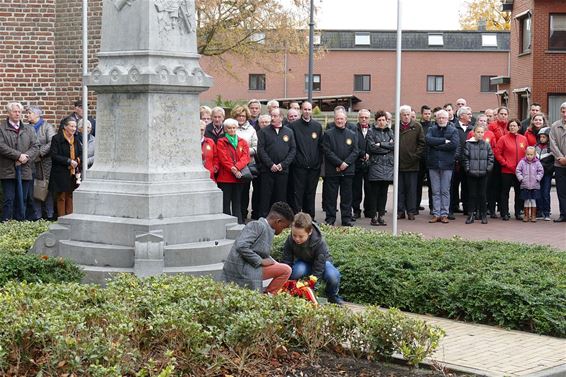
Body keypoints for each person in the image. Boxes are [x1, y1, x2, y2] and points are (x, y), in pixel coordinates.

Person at [222, 201, 294, 295]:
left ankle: (268, 295)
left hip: (250, 266)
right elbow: (241, 246)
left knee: (283, 268)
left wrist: (274, 262)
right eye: (283, 227)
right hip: (242, 269)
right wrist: (260, 261)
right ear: (278, 221)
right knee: (286, 270)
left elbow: (262, 253)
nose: (282, 230)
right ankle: (268, 296)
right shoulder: (257, 225)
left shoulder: (267, 228)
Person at [282, 212, 344, 305]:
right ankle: (294, 291)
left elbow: (319, 266)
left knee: (333, 276)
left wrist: (313, 286)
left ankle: (332, 295)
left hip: (323, 263)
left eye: (301, 236)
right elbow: (287, 260)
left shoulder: (320, 242)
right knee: (296, 272)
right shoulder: (290, 239)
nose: (297, 239)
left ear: (310, 232)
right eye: (294, 235)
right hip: (304, 262)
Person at [0, 102, 39, 221]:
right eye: (15, 111)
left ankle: (20, 223)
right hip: (8, 170)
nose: (17, 114)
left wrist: (25, 157)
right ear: (9, 113)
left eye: (19, 112)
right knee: (9, 199)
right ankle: (6, 224)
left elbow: (36, 146)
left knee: (24, 198)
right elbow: (1, 146)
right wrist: (18, 156)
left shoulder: (29, 129)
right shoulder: (1, 129)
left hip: (25, 169)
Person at [257, 108, 296, 218]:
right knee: (265, 196)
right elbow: (261, 150)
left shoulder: (289, 132)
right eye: (271, 116)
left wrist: (282, 165)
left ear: (281, 117)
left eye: (275, 116)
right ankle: (264, 219)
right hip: (267, 171)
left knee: (281, 197)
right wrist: (271, 165)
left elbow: (293, 150)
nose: (272, 118)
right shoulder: (263, 132)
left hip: (282, 171)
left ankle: (280, 219)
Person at [321, 110, 358, 226]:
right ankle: (330, 219)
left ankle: (346, 218)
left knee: (347, 196)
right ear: (334, 119)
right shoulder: (328, 134)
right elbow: (327, 151)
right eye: (338, 119)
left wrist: (346, 163)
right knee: (331, 197)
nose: (340, 121)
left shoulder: (352, 134)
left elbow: (355, 151)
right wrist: (339, 163)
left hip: (348, 171)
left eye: (342, 119)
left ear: (346, 120)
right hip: (333, 170)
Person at [287, 101, 322, 219]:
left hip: (313, 168)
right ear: (301, 110)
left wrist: (317, 163)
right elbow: (292, 147)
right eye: (305, 109)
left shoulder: (317, 126)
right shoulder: (293, 126)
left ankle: (309, 219)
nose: (307, 112)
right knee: (297, 193)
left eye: (309, 109)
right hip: (298, 168)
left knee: (310, 194)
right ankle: (297, 218)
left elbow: (320, 146)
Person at [426, 109, 459, 224]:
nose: (441, 120)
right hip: (433, 164)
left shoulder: (453, 130)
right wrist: (444, 141)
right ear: (436, 119)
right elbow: (428, 140)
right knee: (435, 191)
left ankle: (444, 214)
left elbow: (454, 145)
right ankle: (436, 214)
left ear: (447, 118)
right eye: (439, 118)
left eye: (443, 118)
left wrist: (437, 146)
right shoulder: (431, 129)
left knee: (445, 190)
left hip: (447, 165)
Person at [215, 118, 250, 224]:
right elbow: (223, 158)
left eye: (234, 128)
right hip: (225, 177)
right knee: (226, 202)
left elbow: (246, 157)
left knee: (237, 202)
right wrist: (233, 169)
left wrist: (237, 168)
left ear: (237, 128)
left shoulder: (242, 141)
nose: (232, 130)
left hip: (238, 177)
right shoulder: (221, 142)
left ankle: (239, 222)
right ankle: (226, 224)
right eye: (229, 128)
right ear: (225, 129)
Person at [26, 106, 56, 221]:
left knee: (46, 187)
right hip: (31, 163)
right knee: (34, 188)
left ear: (37, 115)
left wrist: (39, 153)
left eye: (29, 113)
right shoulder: (27, 127)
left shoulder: (47, 126)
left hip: (45, 163)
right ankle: (37, 215)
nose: (27, 115)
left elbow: (52, 142)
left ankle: (49, 214)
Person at [494, 118, 527, 221]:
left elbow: (527, 153)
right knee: (505, 192)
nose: (513, 127)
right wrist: (504, 163)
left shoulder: (523, 139)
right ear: (508, 127)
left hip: (519, 171)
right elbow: (497, 153)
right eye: (511, 126)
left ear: (519, 127)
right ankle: (505, 212)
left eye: (515, 126)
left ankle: (518, 212)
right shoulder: (503, 139)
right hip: (507, 170)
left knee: (519, 192)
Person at [366, 110, 394, 226]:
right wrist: (387, 146)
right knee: (374, 193)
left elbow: (395, 145)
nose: (382, 122)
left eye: (384, 120)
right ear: (376, 121)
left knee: (384, 193)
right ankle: (373, 216)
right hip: (376, 165)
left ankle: (381, 215)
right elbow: (372, 148)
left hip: (388, 166)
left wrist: (381, 144)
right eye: (379, 120)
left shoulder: (390, 132)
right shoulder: (371, 132)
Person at [397, 105, 425, 220]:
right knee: (400, 190)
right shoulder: (396, 127)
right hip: (399, 164)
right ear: (400, 116)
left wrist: (415, 156)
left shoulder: (417, 126)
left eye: (408, 114)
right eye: (404, 115)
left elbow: (422, 143)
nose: (406, 117)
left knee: (411, 190)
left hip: (413, 164)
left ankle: (411, 211)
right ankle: (400, 211)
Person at [50, 117, 82, 217]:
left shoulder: (76, 140)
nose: (74, 128)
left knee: (70, 195)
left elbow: (81, 153)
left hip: (73, 173)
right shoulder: (56, 139)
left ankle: (70, 218)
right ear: (65, 127)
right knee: (61, 196)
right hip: (60, 173)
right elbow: (54, 155)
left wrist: (76, 161)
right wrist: (68, 161)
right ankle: (61, 219)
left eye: (75, 126)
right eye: (71, 126)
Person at [463, 124, 494, 224]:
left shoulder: (486, 145)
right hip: (471, 174)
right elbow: (465, 158)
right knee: (472, 195)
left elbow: (491, 158)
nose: (480, 134)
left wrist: (487, 170)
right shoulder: (468, 144)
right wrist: (468, 169)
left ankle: (483, 215)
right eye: (478, 132)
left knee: (482, 195)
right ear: (474, 133)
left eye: (481, 132)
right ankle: (471, 215)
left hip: (483, 174)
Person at [232, 105, 258, 221]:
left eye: (243, 116)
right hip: (233, 165)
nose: (241, 118)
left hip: (246, 165)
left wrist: (244, 152)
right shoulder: (232, 127)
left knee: (245, 191)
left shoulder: (251, 130)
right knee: (234, 191)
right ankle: (234, 214)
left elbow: (256, 147)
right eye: (239, 116)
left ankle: (243, 213)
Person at [449, 106, 474, 219]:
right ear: (462, 116)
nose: (470, 116)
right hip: (456, 161)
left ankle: (467, 207)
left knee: (467, 185)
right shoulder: (453, 127)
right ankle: (452, 207)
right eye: (468, 114)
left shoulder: (472, 129)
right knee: (453, 185)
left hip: (468, 161)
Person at [487, 107, 509, 218]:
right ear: (497, 115)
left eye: (505, 114)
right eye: (501, 113)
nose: (503, 116)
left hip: (506, 160)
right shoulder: (492, 126)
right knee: (493, 186)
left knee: (503, 186)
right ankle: (491, 209)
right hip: (495, 160)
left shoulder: (509, 126)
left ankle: (503, 209)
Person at [250, 114, 272, 220]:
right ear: (259, 123)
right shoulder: (256, 134)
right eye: (262, 122)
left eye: (267, 122)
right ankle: (256, 213)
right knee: (257, 191)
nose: (264, 124)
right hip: (259, 167)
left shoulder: (274, 134)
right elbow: (257, 151)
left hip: (270, 167)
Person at [516, 146, 544, 223]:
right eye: (528, 154)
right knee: (526, 201)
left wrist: (538, 178)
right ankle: (526, 215)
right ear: (525, 154)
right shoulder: (522, 162)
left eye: (531, 154)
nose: (529, 156)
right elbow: (518, 170)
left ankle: (533, 215)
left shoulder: (537, 163)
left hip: (535, 185)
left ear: (534, 155)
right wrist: (521, 179)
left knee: (533, 200)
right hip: (525, 185)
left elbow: (541, 171)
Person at [352, 109, 371, 219]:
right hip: (357, 163)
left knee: (369, 189)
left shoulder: (373, 130)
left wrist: (369, 153)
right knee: (356, 189)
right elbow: (353, 146)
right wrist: (362, 153)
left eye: (366, 117)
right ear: (358, 118)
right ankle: (356, 210)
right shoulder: (353, 130)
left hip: (370, 164)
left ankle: (368, 210)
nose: (364, 119)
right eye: (362, 117)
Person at [549, 101, 566, 222]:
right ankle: (563, 213)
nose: (565, 114)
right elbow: (552, 143)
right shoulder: (555, 126)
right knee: (561, 191)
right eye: (563, 111)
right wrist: (560, 157)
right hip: (559, 164)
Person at [535, 127, 554, 221]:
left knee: (545, 193)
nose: (542, 139)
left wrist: (546, 170)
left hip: (547, 175)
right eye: (541, 137)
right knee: (538, 192)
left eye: (544, 137)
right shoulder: (536, 148)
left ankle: (546, 212)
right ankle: (539, 211)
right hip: (537, 175)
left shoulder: (551, 149)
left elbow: (552, 164)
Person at [417, 105, 433, 214]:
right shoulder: (418, 126)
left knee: (432, 184)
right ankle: (416, 205)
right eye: (425, 113)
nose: (427, 115)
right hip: (420, 159)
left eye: (429, 113)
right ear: (422, 114)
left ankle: (433, 207)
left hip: (431, 158)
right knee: (417, 183)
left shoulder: (433, 126)